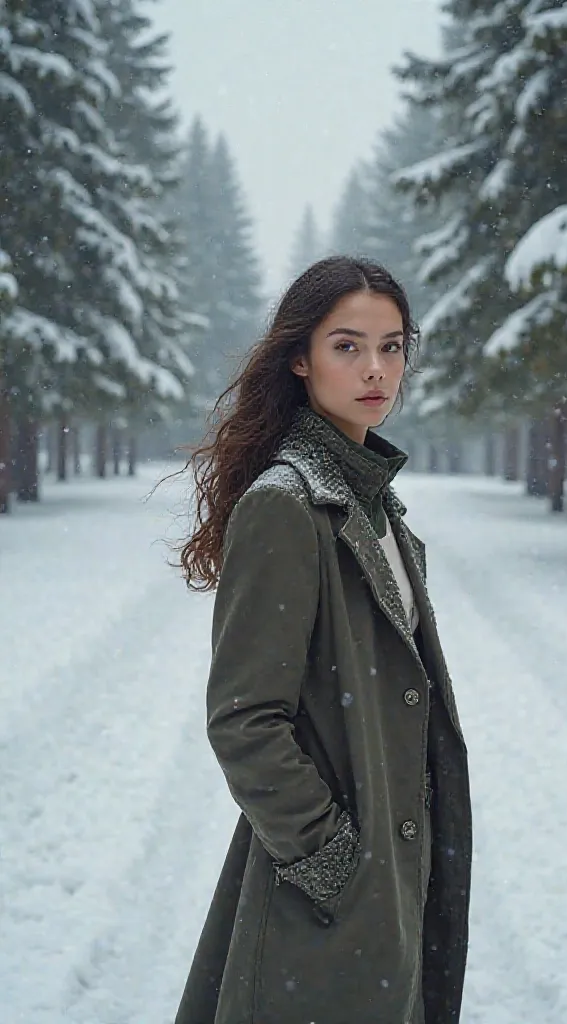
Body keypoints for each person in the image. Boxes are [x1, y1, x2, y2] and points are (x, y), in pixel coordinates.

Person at [173, 256, 472, 1024]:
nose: (376, 369)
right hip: (327, 906)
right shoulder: (286, 505)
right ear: (299, 358)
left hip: (387, 892)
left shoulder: (377, 506)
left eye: (393, 346)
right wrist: (337, 862)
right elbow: (245, 719)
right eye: (348, 346)